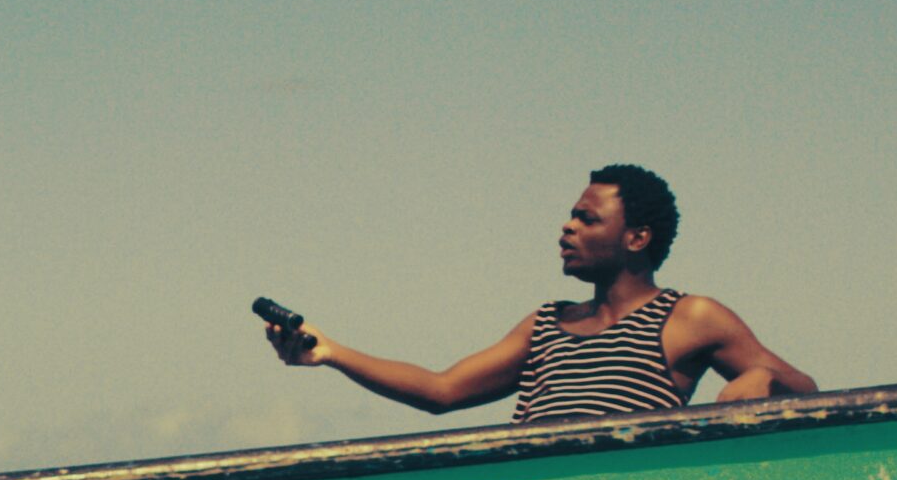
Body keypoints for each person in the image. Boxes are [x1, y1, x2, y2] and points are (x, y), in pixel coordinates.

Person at [267, 164, 815, 420]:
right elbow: (442, 390)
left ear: (637, 237)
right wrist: (330, 352)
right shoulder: (546, 324)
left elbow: (807, 391)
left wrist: (763, 379)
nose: (567, 228)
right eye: (570, 216)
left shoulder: (689, 317)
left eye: (587, 219)